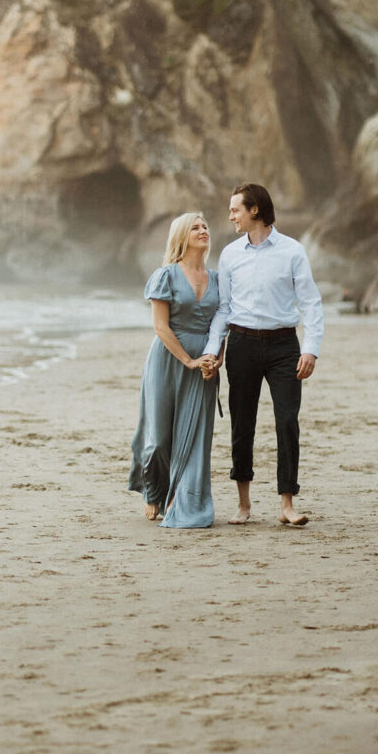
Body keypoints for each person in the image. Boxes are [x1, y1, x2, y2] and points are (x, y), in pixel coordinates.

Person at [203, 183, 323, 527]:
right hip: (241, 344)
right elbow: (224, 309)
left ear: (255, 210)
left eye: (235, 209)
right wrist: (214, 352)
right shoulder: (229, 254)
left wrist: (311, 349)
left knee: (287, 422)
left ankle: (287, 504)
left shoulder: (292, 251)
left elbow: (311, 303)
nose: (230, 216)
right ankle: (244, 504)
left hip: (285, 346)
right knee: (243, 424)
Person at [128, 212, 224, 528]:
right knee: (158, 436)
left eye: (205, 226)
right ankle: (153, 491)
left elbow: (221, 325)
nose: (203, 230)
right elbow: (160, 326)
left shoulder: (219, 279)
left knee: (194, 436)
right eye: (195, 227)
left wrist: (216, 358)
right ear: (181, 236)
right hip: (168, 359)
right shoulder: (165, 275)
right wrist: (187, 359)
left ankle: (178, 496)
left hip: (203, 364)